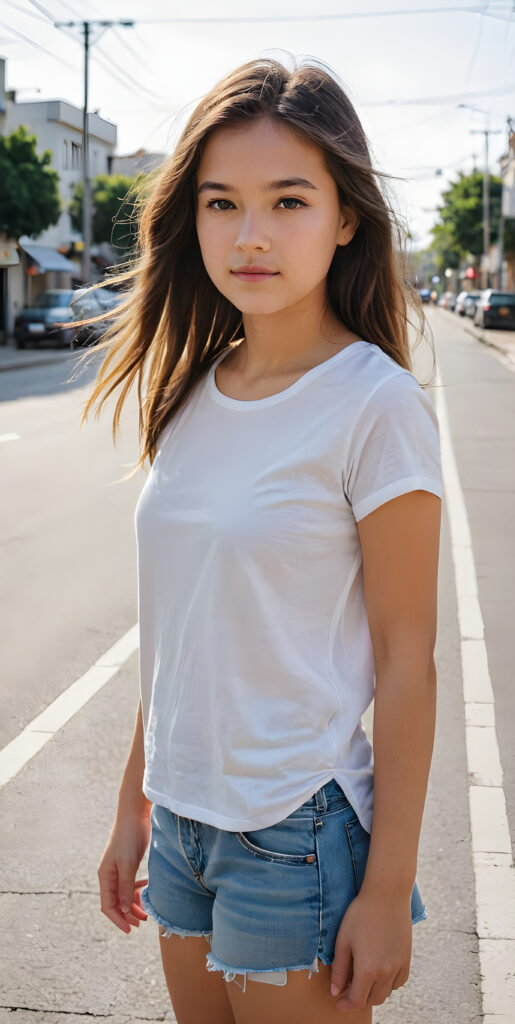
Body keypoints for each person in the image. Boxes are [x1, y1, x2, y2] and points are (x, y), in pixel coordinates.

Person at [85, 57, 443, 1024]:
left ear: (346, 217)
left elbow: (409, 660)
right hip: (184, 832)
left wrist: (387, 889)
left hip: (296, 828)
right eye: (220, 202)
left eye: (289, 201)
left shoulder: (376, 404)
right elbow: (180, 634)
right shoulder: (191, 392)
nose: (250, 236)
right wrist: (137, 804)